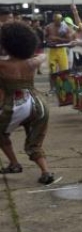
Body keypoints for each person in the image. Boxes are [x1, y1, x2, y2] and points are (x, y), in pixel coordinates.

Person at [0, 22, 53, 184]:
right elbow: (42, 56)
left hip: (14, 107)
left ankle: (15, 163)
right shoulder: (31, 62)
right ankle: (46, 172)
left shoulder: (3, 65)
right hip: (38, 105)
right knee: (35, 142)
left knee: (0, 134)